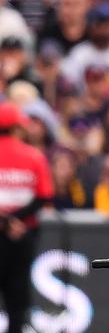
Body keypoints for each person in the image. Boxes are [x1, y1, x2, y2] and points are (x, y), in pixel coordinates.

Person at [0, 102, 53, 333]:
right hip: (21, 234)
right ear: (17, 128)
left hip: (9, 231)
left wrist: (4, 221)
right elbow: (44, 196)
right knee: (17, 300)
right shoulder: (34, 156)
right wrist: (15, 221)